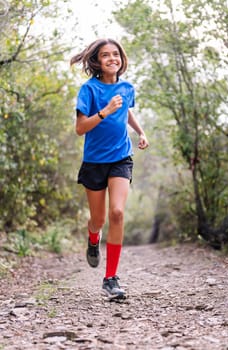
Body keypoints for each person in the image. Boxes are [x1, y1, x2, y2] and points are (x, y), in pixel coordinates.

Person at [70, 38, 149, 300]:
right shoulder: (88, 90)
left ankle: (111, 278)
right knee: (99, 220)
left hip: (120, 157)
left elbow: (125, 111)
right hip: (94, 161)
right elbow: (81, 128)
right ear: (97, 61)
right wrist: (104, 111)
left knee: (116, 212)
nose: (112, 58)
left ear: (121, 59)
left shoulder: (127, 88)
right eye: (106, 55)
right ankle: (94, 239)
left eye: (116, 54)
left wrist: (140, 131)